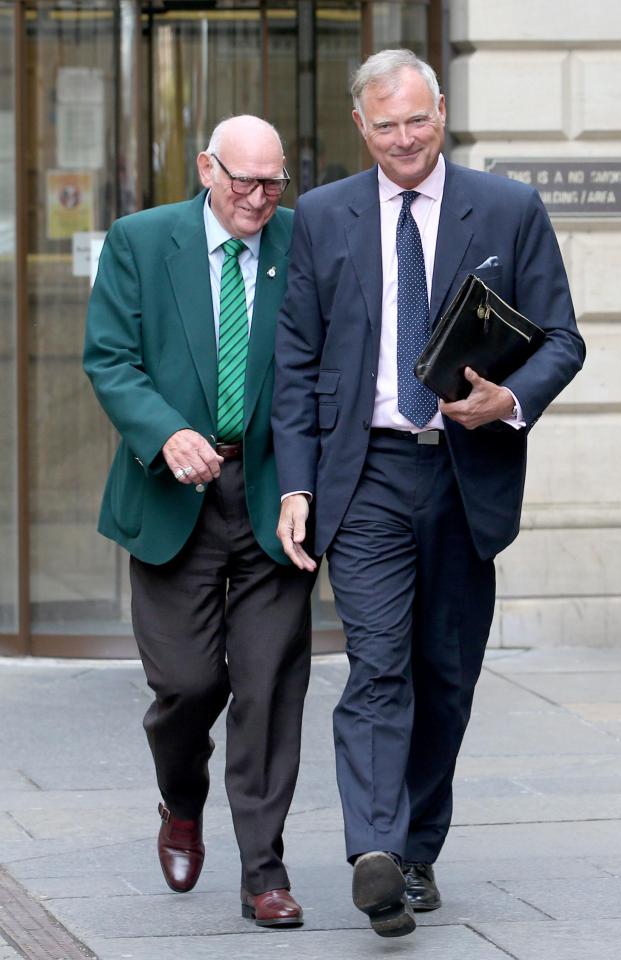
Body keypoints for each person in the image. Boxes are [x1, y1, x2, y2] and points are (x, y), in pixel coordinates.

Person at [272, 50, 585, 938]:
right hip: (365, 473)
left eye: (416, 119)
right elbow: (295, 364)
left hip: (463, 471)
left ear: (440, 112)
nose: (403, 139)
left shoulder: (510, 208)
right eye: (384, 124)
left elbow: (563, 338)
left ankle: (416, 851)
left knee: (445, 675)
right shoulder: (325, 217)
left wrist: (509, 400)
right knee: (377, 665)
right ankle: (374, 850)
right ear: (359, 126)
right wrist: (297, 484)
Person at [83, 116, 316, 928]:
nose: (259, 199)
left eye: (273, 183)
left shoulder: (303, 239)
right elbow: (110, 357)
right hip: (172, 489)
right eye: (244, 182)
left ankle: (265, 872)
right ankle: (181, 799)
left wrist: (306, 483)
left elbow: (323, 361)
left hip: (274, 493)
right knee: (186, 683)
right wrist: (164, 431)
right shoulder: (141, 241)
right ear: (205, 169)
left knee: (268, 687)